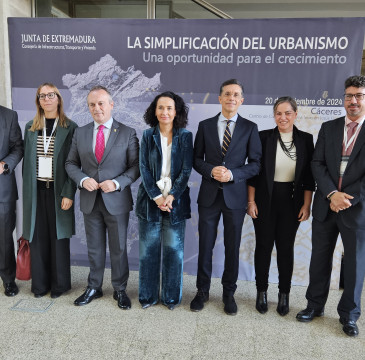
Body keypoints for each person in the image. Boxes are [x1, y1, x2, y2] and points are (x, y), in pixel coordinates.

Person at [296, 75, 365, 337]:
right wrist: (332, 194)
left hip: (356, 210)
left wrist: (346, 198)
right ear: (344, 99)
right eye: (349, 95)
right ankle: (314, 306)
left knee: (355, 265)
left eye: (359, 95)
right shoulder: (329, 127)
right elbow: (317, 164)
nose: (354, 100)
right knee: (319, 260)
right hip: (326, 206)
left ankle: (349, 316)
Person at [190, 79, 261, 315]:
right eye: (227, 94)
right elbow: (196, 160)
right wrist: (211, 170)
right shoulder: (205, 125)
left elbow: (256, 165)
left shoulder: (250, 128)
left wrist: (233, 174)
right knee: (205, 245)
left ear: (242, 100)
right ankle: (202, 291)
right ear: (219, 98)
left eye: (236, 95)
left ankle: (229, 293)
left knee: (232, 247)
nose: (231, 98)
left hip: (235, 198)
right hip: (209, 197)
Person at [66, 85, 139, 309]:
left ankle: (120, 289)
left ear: (111, 105)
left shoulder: (127, 132)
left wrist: (116, 183)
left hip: (116, 201)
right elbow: (70, 163)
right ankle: (94, 287)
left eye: (100, 103)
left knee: (118, 248)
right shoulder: (80, 132)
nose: (96, 108)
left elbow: (136, 167)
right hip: (90, 200)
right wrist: (81, 179)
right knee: (94, 247)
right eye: (92, 104)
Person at [247, 96, 315, 316]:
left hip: (292, 201)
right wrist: (251, 201)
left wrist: (307, 205)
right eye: (278, 113)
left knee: (286, 249)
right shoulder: (263, 137)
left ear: (295, 114)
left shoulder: (306, 139)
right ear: (274, 115)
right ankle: (261, 292)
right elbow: (253, 175)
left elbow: (308, 178)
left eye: (287, 113)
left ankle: (284, 294)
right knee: (264, 247)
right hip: (265, 200)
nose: (283, 117)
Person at [136, 91, 193, 310]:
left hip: (175, 203)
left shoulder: (185, 136)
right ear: (154, 110)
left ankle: (171, 298)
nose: (165, 112)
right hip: (150, 201)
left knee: (173, 252)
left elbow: (186, 170)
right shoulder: (147, 135)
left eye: (169, 108)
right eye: (161, 108)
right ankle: (147, 297)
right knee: (148, 252)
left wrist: (171, 197)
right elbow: (143, 167)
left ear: (176, 111)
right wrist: (157, 196)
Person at [23, 83, 77, 298]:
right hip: (36, 190)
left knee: (58, 238)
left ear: (58, 99)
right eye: (42, 96)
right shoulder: (30, 127)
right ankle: (40, 285)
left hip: (58, 190)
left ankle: (59, 285)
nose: (46, 99)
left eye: (50, 95)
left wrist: (69, 192)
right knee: (38, 237)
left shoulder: (70, 127)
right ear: (38, 101)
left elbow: (75, 163)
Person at [0, 105, 23, 297]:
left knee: (4, 238)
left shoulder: (9, 115)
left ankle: (8, 280)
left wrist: (5, 164)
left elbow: (18, 147)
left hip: (2, 189)